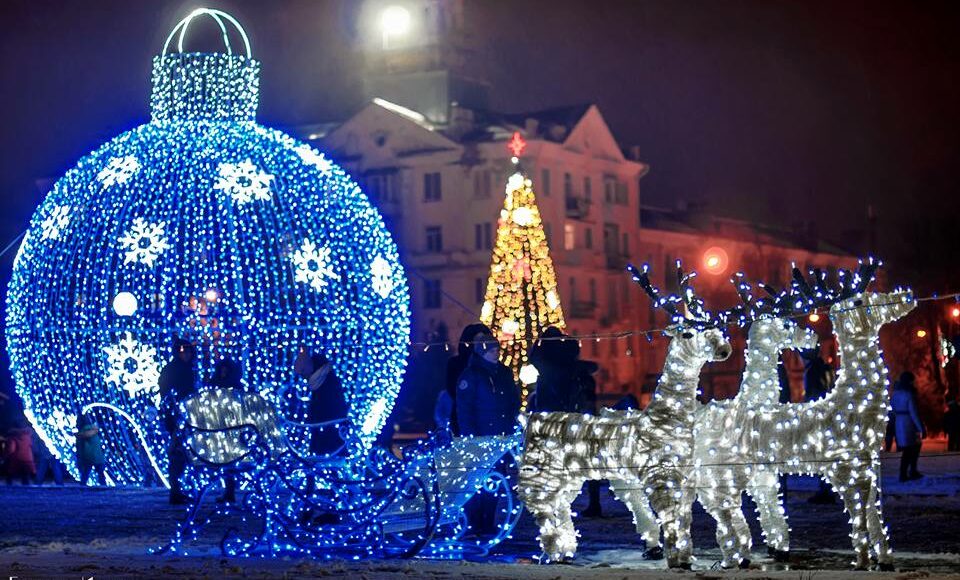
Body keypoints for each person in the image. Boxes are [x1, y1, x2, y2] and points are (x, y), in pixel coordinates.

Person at [456, 329, 521, 535]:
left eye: (496, 348)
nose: (496, 352)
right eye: (491, 349)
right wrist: (472, 437)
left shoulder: (503, 372)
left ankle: (488, 522)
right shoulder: (472, 374)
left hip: (500, 436)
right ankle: (474, 523)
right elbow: (464, 408)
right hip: (480, 437)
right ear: (482, 351)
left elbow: (513, 401)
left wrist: (511, 425)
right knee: (477, 482)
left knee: (496, 481)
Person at [158, 337, 198, 504]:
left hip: (186, 416)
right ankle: (176, 491)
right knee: (177, 453)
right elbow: (168, 393)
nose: (186, 354)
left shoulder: (187, 369)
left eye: (188, 351)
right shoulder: (174, 370)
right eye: (183, 351)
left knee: (184, 454)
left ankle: (180, 489)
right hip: (178, 417)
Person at [294, 348, 348, 456]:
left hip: (330, 438)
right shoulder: (320, 382)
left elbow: (328, 411)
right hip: (326, 437)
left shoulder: (326, 384)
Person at [445, 323, 492, 436]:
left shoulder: (492, 364)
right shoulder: (456, 363)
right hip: (463, 417)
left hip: (489, 417)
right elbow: (452, 389)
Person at [207, 358, 244, 503]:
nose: (223, 372)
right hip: (219, 425)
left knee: (230, 460)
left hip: (231, 427)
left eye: (226, 369)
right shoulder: (215, 384)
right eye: (221, 369)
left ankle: (229, 491)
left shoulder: (234, 385)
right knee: (224, 460)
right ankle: (228, 490)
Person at [892, 372, 925, 482]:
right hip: (908, 424)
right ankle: (908, 472)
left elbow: (891, 410)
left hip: (899, 422)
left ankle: (906, 472)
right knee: (911, 449)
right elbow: (914, 413)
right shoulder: (909, 394)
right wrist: (921, 428)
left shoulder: (895, 394)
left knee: (909, 449)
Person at [75, 412, 105, 486]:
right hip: (95, 455)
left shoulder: (82, 431)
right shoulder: (91, 429)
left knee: (86, 472)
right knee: (99, 472)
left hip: (88, 455)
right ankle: (103, 485)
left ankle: (83, 485)